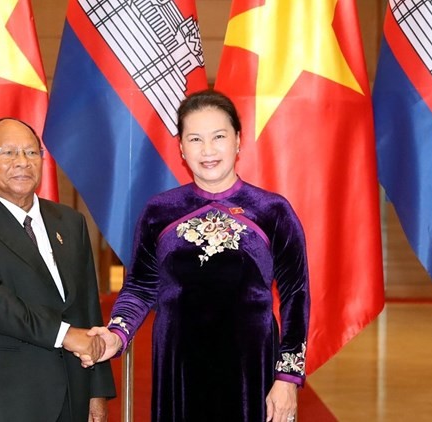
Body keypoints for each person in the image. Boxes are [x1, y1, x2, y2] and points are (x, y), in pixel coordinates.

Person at [88, 90, 310, 422]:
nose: (208, 150)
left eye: (218, 137)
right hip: (178, 364)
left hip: (250, 367)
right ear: (181, 148)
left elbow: (296, 295)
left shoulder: (274, 211)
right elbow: (140, 287)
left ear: (238, 140)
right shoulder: (158, 212)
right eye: (195, 139)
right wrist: (117, 333)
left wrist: (287, 379)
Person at [0, 117, 116, 422]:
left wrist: (96, 392)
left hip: (71, 397)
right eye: (8, 153)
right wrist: (65, 335)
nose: (22, 162)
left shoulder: (69, 222)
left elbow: (88, 308)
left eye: (32, 153)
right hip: (1, 399)